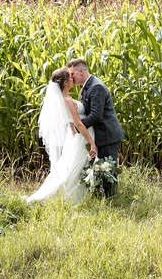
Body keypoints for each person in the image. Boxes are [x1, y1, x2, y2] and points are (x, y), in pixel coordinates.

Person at [26, 67, 97, 204]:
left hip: (75, 136)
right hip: (82, 136)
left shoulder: (65, 98)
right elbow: (78, 123)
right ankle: (70, 197)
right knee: (75, 167)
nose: (72, 79)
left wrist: (73, 127)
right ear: (65, 82)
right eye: (70, 77)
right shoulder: (67, 100)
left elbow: (70, 121)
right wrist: (92, 143)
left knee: (73, 165)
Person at [67, 58, 125, 196]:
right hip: (99, 135)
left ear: (81, 71)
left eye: (72, 74)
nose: (71, 77)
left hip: (107, 135)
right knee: (100, 170)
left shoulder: (96, 86)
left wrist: (78, 128)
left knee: (108, 170)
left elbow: (96, 115)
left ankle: (112, 200)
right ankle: (101, 197)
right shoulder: (87, 87)